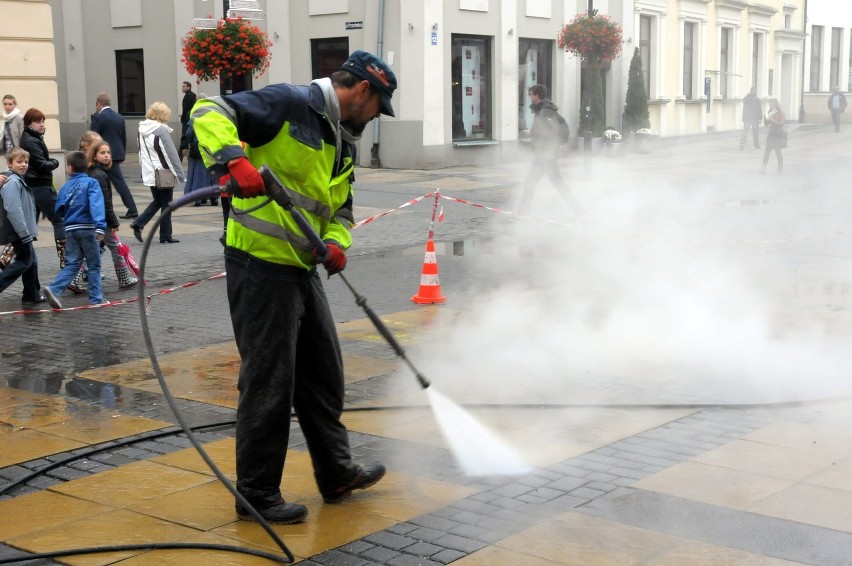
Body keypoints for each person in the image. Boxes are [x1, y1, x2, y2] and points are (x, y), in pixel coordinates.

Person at [191, 49, 395, 525]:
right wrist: (232, 158)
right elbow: (208, 109)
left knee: (323, 373)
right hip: (259, 265)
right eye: (377, 106)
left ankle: (336, 473)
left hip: (301, 268)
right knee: (269, 382)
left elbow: (340, 208)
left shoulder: (343, 140)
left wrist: (334, 241)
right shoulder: (288, 104)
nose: (375, 118)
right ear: (362, 90)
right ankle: (256, 494)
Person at [42, 151, 106, 309]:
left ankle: (54, 289)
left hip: (70, 228)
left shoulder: (65, 186)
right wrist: (100, 226)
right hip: (87, 228)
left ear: (69, 168)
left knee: (73, 263)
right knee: (94, 264)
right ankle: (96, 299)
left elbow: (58, 209)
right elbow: (96, 204)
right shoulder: (91, 183)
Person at [518, 84, 582, 216]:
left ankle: (522, 213)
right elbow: (544, 130)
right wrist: (533, 132)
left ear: (537, 95)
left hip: (546, 155)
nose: (529, 96)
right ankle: (577, 209)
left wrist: (532, 133)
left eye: (531, 94)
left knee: (532, 183)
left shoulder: (545, 111)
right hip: (544, 155)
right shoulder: (543, 110)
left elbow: (550, 132)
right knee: (555, 184)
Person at [131, 101, 185, 244]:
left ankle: (139, 223)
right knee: (166, 203)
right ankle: (165, 235)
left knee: (158, 201)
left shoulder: (141, 129)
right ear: (163, 115)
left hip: (150, 171)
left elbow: (141, 152)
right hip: (164, 171)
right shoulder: (160, 130)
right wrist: (179, 174)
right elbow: (171, 153)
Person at [18, 108, 66, 267]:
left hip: (33, 186)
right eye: (38, 122)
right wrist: (56, 162)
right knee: (59, 221)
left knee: (28, 228)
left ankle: (10, 260)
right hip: (40, 187)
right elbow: (42, 164)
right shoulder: (32, 141)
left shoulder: (30, 138)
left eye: (43, 121)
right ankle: (65, 260)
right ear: (29, 124)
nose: (42, 125)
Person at [88, 139, 137, 288]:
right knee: (115, 248)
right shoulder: (100, 175)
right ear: (94, 156)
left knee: (93, 249)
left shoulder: (95, 172)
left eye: (108, 153)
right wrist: (113, 221)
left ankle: (75, 279)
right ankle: (123, 279)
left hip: (95, 218)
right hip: (101, 220)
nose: (107, 156)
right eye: (102, 153)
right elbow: (105, 202)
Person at [0, 147, 43, 307]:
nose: (24, 165)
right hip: (18, 231)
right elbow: (13, 210)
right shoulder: (12, 182)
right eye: (19, 162)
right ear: (10, 164)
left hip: (22, 230)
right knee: (24, 261)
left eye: (26, 162)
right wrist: (24, 233)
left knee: (32, 261)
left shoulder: (17, 179)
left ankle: (31, 294)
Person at [91, 92, 138, 219]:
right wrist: (121, 153)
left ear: (98, 104)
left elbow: (93, 137)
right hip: (116, 153)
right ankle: (131, 208)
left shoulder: (99, 118)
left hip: (102, 154)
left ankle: (128, 209)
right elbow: (123, 137)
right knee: (118, 182)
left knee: (103, 182)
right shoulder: (119, 117)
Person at [762, 98, 785, 174]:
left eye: (772, 105)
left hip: (778, 134)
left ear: (776, 105)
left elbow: (781, 123)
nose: (771, 106)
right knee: (767, 152)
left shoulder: (780, 112)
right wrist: (765, 118)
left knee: (778, 151)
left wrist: (773, 120)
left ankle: (780, 168)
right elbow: (766, 124)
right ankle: (763, 169)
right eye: (770, 105)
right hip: (771, 134)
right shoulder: (770, 112)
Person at [179, 81, 197, 161]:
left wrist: (183, 117)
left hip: (187, 119)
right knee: (187, 138)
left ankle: (180, 158)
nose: (182, 88)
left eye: (184, 86)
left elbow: (186, 109)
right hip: (189, 118)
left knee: (184, 138)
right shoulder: (191, 95)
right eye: (182, 86)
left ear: (188, 87)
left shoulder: (188, 96)